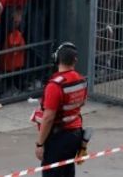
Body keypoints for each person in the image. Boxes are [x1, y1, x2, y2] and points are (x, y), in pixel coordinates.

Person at [32, 42, 87, 177]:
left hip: (58, 138)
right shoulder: (81, 80)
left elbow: (48, 118)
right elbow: (81, 103)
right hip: (76, 135)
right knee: (67, 172)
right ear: (75, 60)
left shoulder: (55, 85)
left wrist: (40, 144)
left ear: (57, 59)